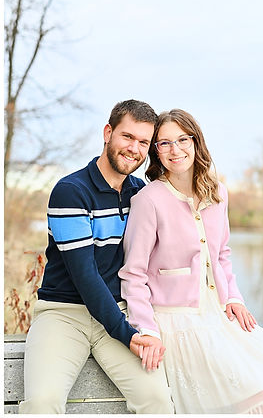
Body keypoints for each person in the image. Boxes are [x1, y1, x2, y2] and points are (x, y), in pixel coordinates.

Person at [118, 109, 263, 413]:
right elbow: (133, 274)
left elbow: (222, 254)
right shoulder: (148, 200)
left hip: (218, 312)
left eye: (182, 140)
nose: (175, 150)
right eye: (164, 143)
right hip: (176, 321)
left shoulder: (217, 193)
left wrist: (234, 298)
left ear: (195, 142)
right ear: (156, 152)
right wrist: (146, 330)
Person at [20, 100, 175, 414]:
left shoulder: (139, 193)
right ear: (108, 133)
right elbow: (86, 276)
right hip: (64, 314)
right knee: (42, 403)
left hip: (117, 314)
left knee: (157, 401)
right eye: (127, 137)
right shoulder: (71, 191)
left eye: (143, 142)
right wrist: (128, 335)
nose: (134, 148)